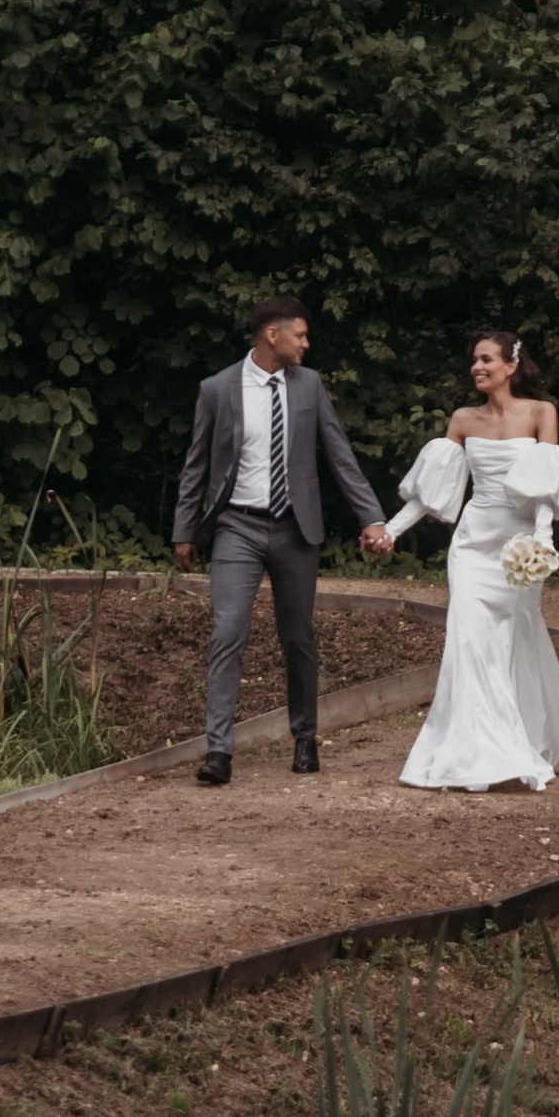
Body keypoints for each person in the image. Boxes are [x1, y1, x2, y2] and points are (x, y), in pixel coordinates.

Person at [172, 297, 394, 784]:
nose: (307, 343)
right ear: (272, 334)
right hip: (237, 526)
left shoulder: (309, 386)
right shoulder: (218, 389)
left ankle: (305, 739)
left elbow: (340, 454)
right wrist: (185, 528)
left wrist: (372, 518)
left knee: (298, 636)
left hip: (297, 529)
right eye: (301, 334)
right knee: (228, 631)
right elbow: (197, 463)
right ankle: (218, 752)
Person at [382, 329, 559, 794]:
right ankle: (478, 753)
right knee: (470, 643)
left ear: (511, 366)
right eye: (473, 361)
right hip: (473, 545)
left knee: (514, 639)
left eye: (485, 360)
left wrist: (542, 539)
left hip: (520, 547)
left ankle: (526, 739)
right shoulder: (462, 419)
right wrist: (391, 529)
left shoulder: (542, 413)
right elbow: (432, 491)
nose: (476, 367)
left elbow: (545, 484)